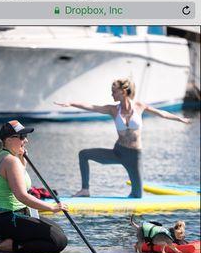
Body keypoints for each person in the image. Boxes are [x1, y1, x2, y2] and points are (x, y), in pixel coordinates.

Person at [55, 78, 190, 198]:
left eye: (114, 91)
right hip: (118, 152)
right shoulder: (113, 110)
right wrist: (71, 103)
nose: (111, 94)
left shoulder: (139, 106)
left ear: (123, 92)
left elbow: (161, 113)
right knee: (83, 154)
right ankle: (85, 190)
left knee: (137, 196)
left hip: (134, 156)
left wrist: (179, 119)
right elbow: (92, 107)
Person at [0, 120, 68, 253]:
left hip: (11, 216)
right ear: (8, 140)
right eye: (21, 137)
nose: (26, 141)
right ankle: (12, 246)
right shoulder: (10, 160)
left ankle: (13, 241)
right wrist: (51, 207)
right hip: (5, 219)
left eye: (26, 137)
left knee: (59, 232)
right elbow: (22, 196)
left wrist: (21, 158)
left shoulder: (7, 156)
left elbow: (19, 178)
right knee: (58, 241)